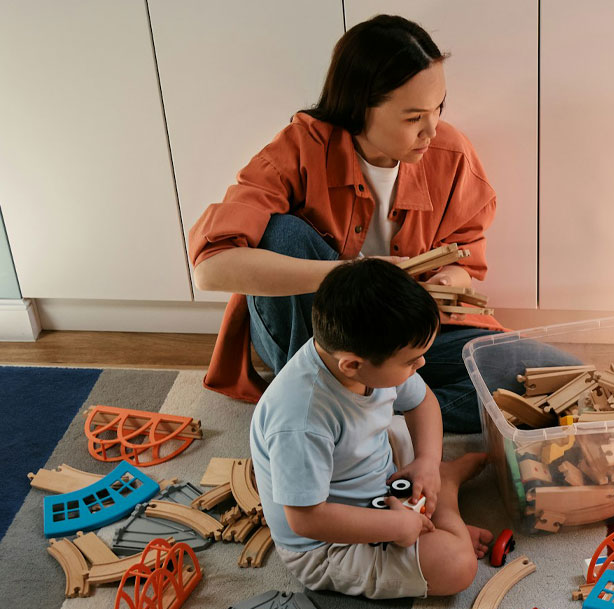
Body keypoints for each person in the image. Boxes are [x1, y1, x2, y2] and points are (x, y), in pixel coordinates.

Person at [188, 14, 574, 433]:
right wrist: (352, 275)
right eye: (413, 118)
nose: (431, 129)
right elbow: (212, 267)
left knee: (552, 376)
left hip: (407, 338)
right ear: (360, 108)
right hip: (316, 338)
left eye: (438, 109)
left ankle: (377, 415)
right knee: (282, 234)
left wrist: (450, 280)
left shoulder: (452, 155)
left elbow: (467, 260)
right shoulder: (298, 149)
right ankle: (326, 397)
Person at [250, 258, 492, 599]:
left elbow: (423, 403)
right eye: (410, 361)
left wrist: (425, 460)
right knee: (456, 565)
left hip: (377, 481)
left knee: (412, 434)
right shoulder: (301, 419)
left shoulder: (359, 360)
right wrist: (396, 526)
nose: (421, 364)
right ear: (352, 365)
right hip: (327, 542)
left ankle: (433, 480)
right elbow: (307, 520)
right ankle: (447, 494)